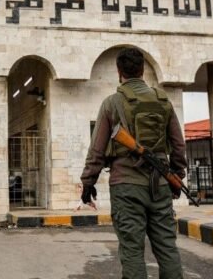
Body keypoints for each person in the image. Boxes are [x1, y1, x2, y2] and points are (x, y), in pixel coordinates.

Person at [80, 47, 187, 279]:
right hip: (160, 184)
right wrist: (176, 177)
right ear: (142, 71)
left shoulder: (112, 103)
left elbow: (96, 150)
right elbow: (179, 145)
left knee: (132, 250)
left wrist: (88, 183)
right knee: (167, 247)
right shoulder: (163, 101)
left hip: (126, 187)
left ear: (119, 72)